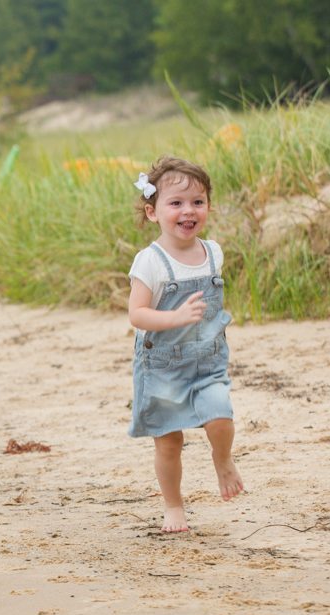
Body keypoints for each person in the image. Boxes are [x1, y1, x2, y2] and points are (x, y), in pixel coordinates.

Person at [127, 155, 245, 533]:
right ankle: (174, 506)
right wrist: (174, 318)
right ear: (152, 212)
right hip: (161, 365)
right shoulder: (151, 262)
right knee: (169, 442)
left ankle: (222, 459)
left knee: (221, 415)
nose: (188, 211)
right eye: (175, 203)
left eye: (198, 201)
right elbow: (138, 314)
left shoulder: (213, 252)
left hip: (207, 360)